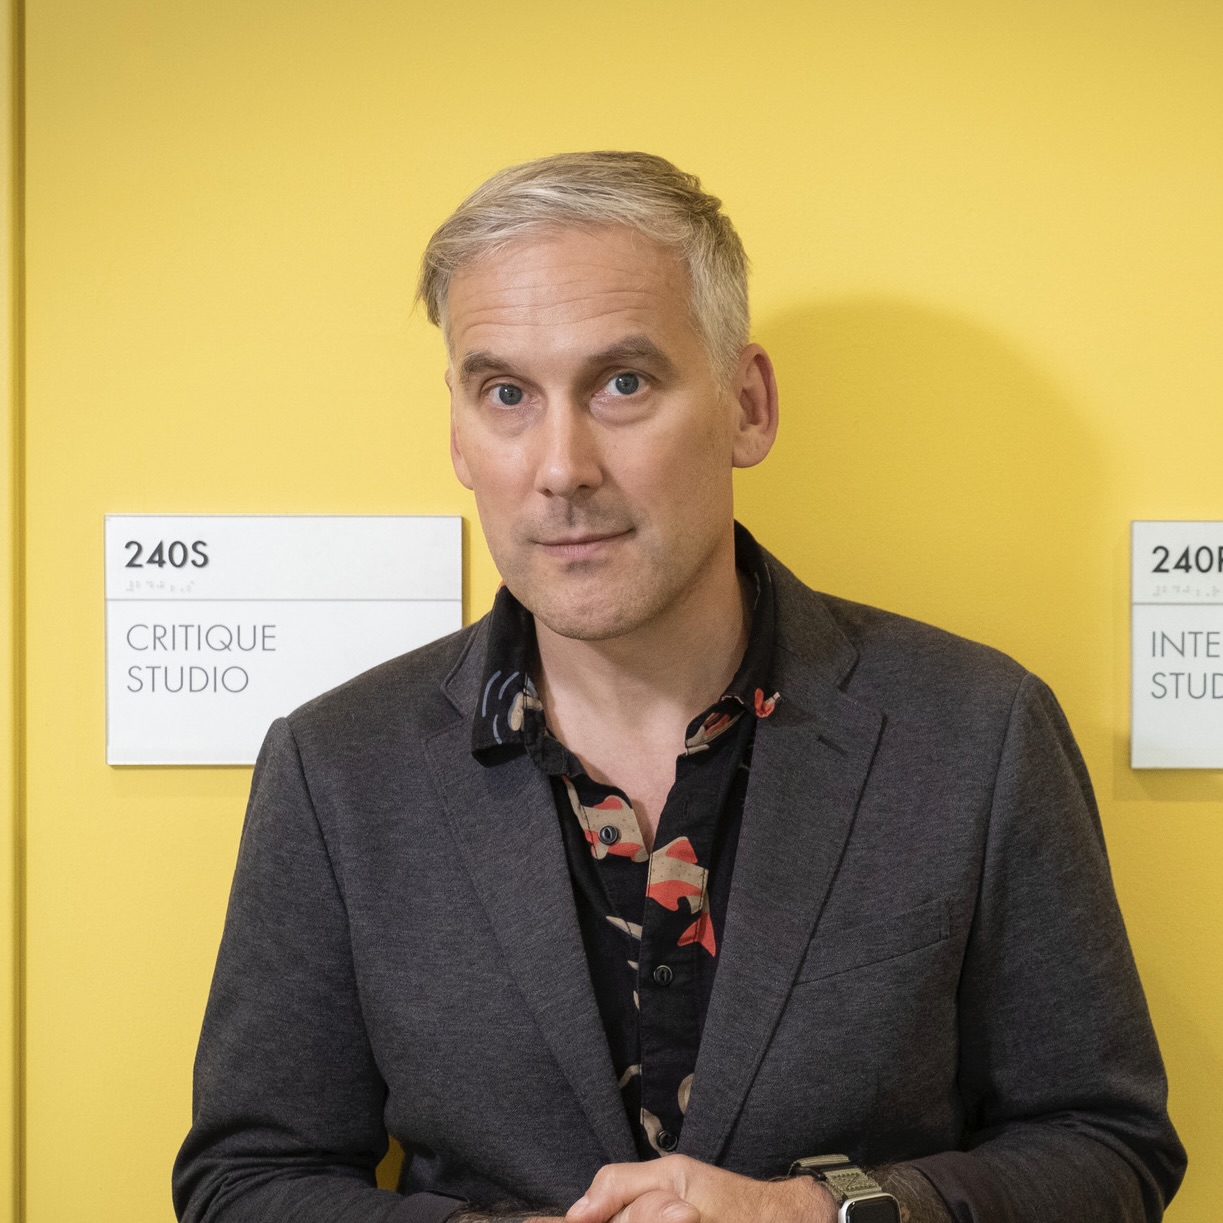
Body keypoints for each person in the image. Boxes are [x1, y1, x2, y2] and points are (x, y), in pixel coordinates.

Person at [173, 151, 1186, 1223]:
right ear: (459, 431)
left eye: (623, 382)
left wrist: (816, 1211)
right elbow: (245, 1181)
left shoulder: (975, 730)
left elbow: (1102, 1143)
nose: (560, 466)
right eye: (505, 392)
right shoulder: (336, 769)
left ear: (745, 405)